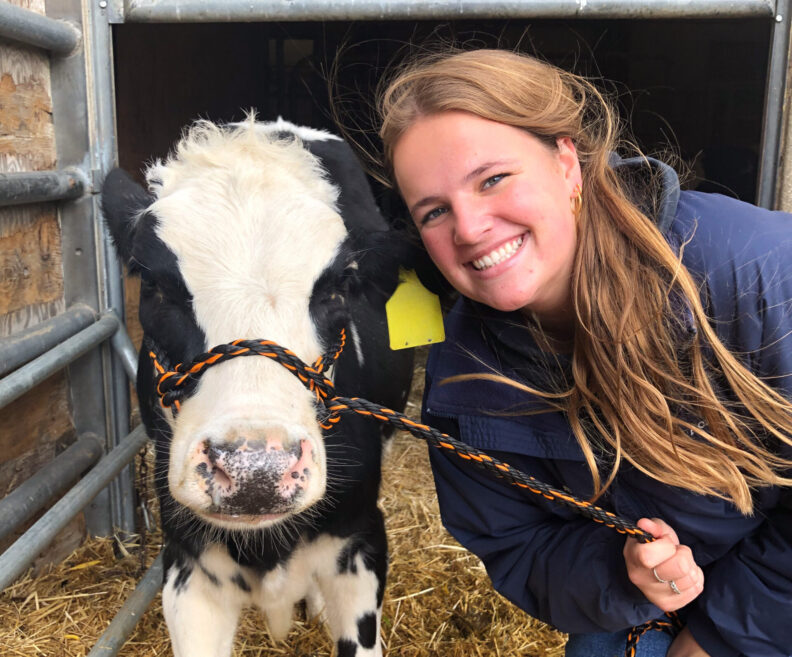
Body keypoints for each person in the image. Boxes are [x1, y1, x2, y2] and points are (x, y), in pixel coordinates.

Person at [374, 49, 792, 657]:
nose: (467, 228)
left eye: (493, 179)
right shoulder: (464, 377)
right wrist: (625, 572)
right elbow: (519, 546)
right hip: (662, 600)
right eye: (434, 211)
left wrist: (718, 637)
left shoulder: (759, 274)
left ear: (567, 164)